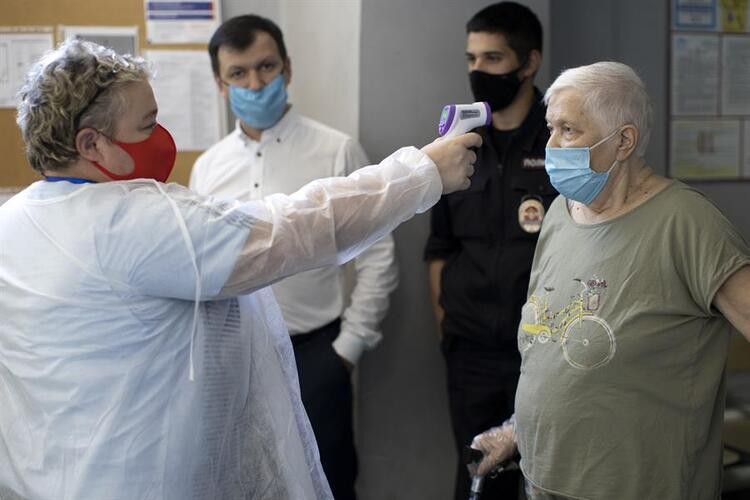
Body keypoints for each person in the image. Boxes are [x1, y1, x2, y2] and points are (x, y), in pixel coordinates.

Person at [0, 39, 480, 500]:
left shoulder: (14, 221)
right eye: (147, 126)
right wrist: (422, 173)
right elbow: (292, 229)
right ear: (92, 144)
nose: (161, 139)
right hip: (139, 478)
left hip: (50, 476)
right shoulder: (127, 222)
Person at [471, 61, 750, 499]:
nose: (551, 145)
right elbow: (551, 344)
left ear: (623, 141)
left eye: (568, 130)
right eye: (550, 128)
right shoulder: (559, 215)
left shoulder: (688, 223)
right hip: (544, 482)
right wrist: (516, 431)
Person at [189, 16, 394, 499]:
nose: (255, 83)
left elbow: (379, 255)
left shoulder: (335, 150)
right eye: (238, 73)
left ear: (288, 68)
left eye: (266, 67)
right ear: (220, 84)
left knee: (330, 481)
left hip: (317, 356)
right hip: (233, 359)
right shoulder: (207, 169)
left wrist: (349, 349)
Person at [423, 3, 556, 498]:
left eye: (493, 59)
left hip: (542, 352)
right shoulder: (458, 139)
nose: (479, 72)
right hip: (472, 350)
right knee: (478, 476)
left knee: (547, 476)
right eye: (472, 59)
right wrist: (445, 323)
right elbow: (439, 249)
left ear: (528, 62)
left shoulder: (561, 137)